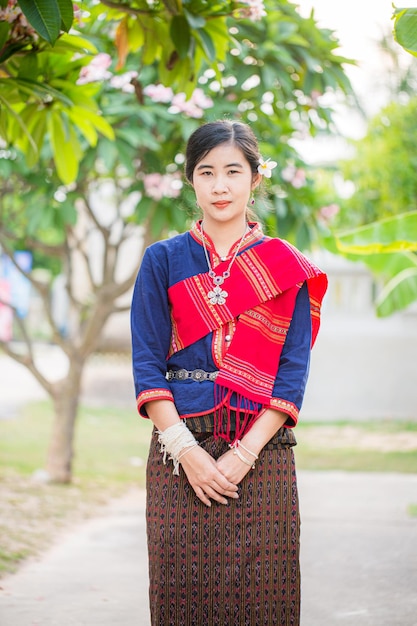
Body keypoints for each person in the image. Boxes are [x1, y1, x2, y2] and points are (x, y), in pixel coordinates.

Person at [131, 120, 328, 626]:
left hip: (262, 457)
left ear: (255, 178)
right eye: (207, 172)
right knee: (182, 602)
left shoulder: (285, 267)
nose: (220, 186)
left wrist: (244, 454)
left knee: (265, 602)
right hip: (179, 454)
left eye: (233, 171)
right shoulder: (163, 260)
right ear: (190, 180)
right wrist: (186, 452)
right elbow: (147, 365)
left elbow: (292, 376)